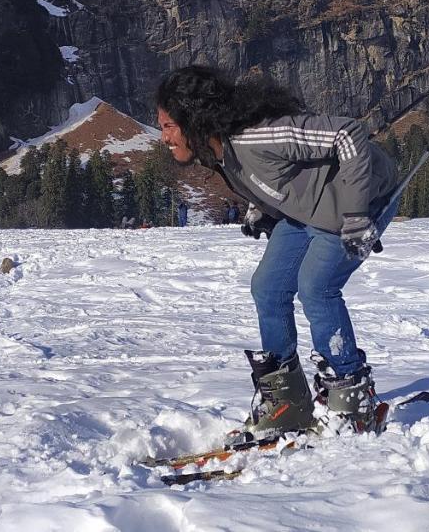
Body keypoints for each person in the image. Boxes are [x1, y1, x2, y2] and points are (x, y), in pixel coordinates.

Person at [155, 65, 400, 440]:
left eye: (169, 125)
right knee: (268, 288)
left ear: (195, 119)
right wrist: (262, 207)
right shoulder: (219, 150)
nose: (164, 137)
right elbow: (276, 177)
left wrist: (356, 216)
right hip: (306, 212)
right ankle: (287, 401)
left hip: (359, 203)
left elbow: (348, 133)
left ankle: (352, 399)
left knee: (316, 287)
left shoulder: (257, 136)